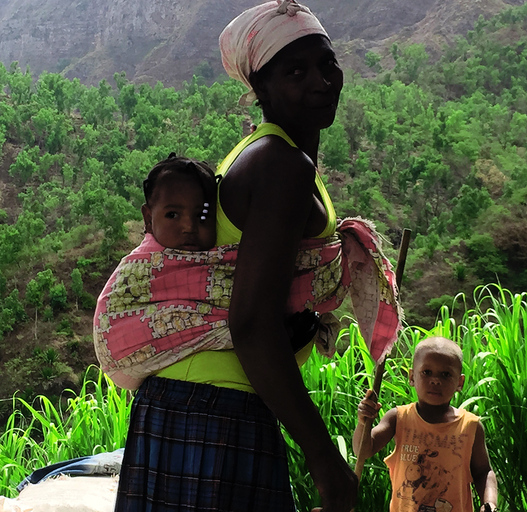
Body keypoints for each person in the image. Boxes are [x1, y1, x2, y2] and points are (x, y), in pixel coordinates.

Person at [108, 1, 389, 510]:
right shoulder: (282, 164)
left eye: (326, 63)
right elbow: (252, 324)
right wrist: (324, 458)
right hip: (219, 406)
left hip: (185, 402)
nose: (322, 81)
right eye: (295, 71)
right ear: (259, 88)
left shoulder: (258, 150)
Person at [353, 336, 499, 512]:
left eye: (445, 374)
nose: (435, 380)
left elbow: (483, 472)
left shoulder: (470, 426)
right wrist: (363, 423)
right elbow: (364, 450)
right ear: (412, 377)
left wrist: (489, 503)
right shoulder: (398, 418)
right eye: (426, 372)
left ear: (459, 382)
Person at [140, 153, 219, 251]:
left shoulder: (233, 256)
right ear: (148, 219)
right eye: (172, 215)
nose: (189, 227)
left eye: (202, 215)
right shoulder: (135, 264)